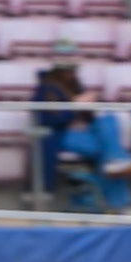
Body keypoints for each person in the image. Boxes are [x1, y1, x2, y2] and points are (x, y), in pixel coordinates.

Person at [32, 38, 82, 192]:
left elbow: (88, 114)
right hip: (61, 134)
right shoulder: (47, 86)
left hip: (81, 131)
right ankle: (117, 203)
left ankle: (116, 160)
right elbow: (51, 118)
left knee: (109, 120)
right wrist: (75, 107)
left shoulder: (76, 83)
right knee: (106, 151)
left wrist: (88, 108)